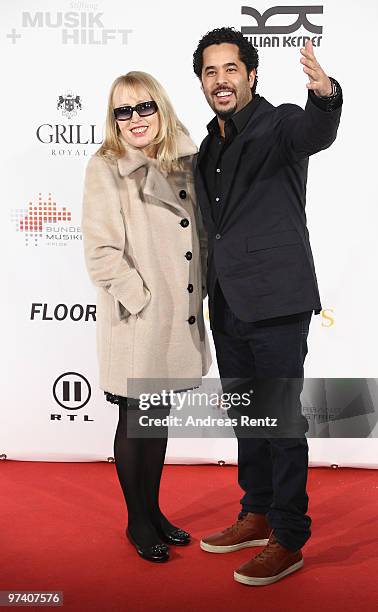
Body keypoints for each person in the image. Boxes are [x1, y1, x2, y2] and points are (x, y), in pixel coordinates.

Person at [192, 27, 342, 585]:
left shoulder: (279, 122)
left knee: (280, 420)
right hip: (227, 301)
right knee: (247, 416)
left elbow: (316, 130)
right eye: (210, 72)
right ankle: (255, 513)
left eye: (231, 68)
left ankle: (288, 535)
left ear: (251, 75)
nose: (221, 80)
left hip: (277, 300)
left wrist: (325, 96)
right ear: (203, 83)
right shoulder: (209, 145)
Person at [81, 71, 212, 563]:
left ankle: (153, 511)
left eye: (144, 108)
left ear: (161, 108)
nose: (135, 119)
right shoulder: (107, 166)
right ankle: (137, 520)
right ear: (113, 119)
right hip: (139, 319)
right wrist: (143, 300)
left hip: (179, 317)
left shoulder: (186, 161)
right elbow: (101, 252)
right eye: (123, 111)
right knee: (136, 418)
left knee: (156, 419)